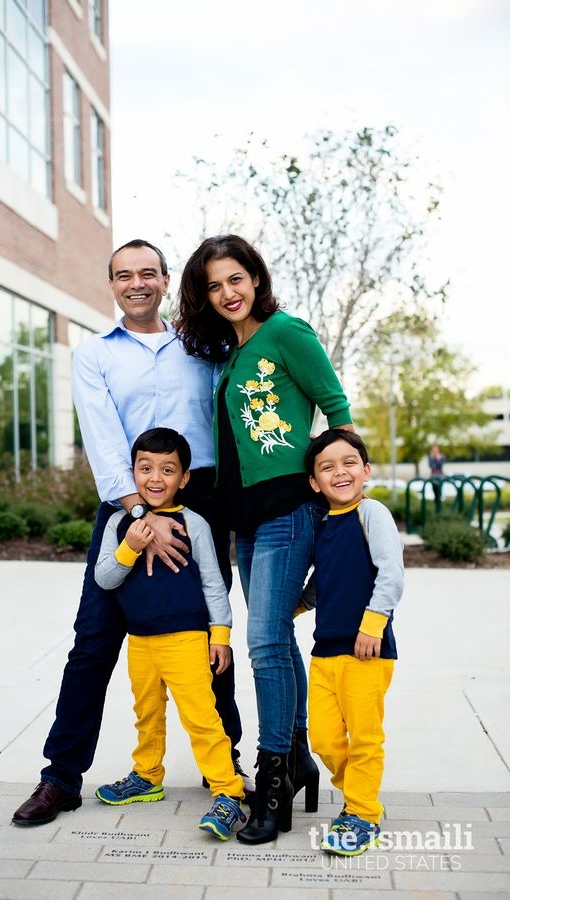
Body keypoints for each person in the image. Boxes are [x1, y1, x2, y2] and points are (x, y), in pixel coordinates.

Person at [11, 240, 246, 827]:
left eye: (147, 272)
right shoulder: (94, 355)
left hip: (201, 502)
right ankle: (60, 778)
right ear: (112, 285)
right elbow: (102, 437)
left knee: (209, 640)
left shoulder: (204, 346)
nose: (136, 283)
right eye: (123, 275)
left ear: (166, 280)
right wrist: (141, 516)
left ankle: (230, 767)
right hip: (126, 504)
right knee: (92, 644)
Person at [175, 234, 355, 844]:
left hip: (287, 509)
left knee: (265, 646)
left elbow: (335, 407)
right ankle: (297, 757)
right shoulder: (231, 352)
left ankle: (273, 777)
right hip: (244, 520)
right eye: (213, 285)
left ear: (256, 278)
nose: (226, 293)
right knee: (276, 640)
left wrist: (342, 494)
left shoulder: (286, 332)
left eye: (235, 279)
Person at [92, 427, 248, 840]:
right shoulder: (118, 523)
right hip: (140, 641)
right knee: (147, 713)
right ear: (132, 472)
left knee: (201, 717)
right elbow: (104, 579)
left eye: (167, 469)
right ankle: (147, 775)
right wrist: (128, 545)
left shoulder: (193, 522)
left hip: (187, 640)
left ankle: (228, 792)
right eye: (145, 468)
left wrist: (221, 634)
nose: (155, 478)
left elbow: (214, 582)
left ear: (184, 478)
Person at [298, 429, 404, 857]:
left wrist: (372, 625)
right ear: (313, 482)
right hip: (325, 652)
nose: (339, 472)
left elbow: (391, 574)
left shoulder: (371, 513)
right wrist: (295, 609)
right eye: (327, 467)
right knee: (324, 738)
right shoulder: (322, 524)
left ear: (365, 470)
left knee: (364, 738)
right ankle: (361, 798)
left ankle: (362, 814)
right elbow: (321, 582)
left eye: (348, 463)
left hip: (367, 650)